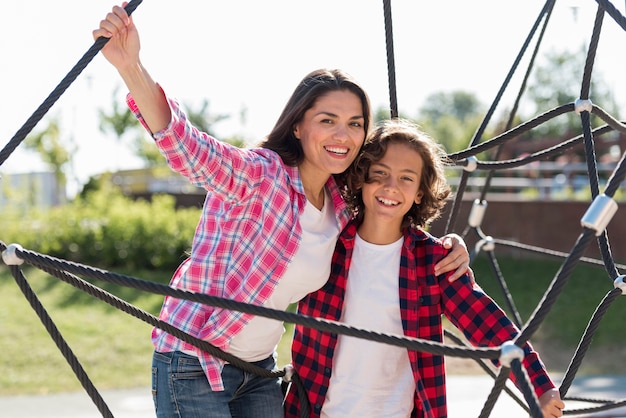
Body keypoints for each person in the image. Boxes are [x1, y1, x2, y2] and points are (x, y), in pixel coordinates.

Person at [93, 4, 472, 417]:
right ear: (298, 125)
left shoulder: (340, 209)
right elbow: (188, 148)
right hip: (194, 359)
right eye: (327, 120)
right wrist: (131, 66)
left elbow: (389, 230)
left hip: (258, 370)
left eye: (356, 123)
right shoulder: (260, 175)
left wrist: (450, 247)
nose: (343, 136)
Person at [285, 118, 565, 418]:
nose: (391, 187)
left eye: (407, 178)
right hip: (314, 410)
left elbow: (489, 326)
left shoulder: (434, 261)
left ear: (420, 192)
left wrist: (539, 386)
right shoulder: (327, 242)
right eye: (380, 173)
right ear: (361, 179)